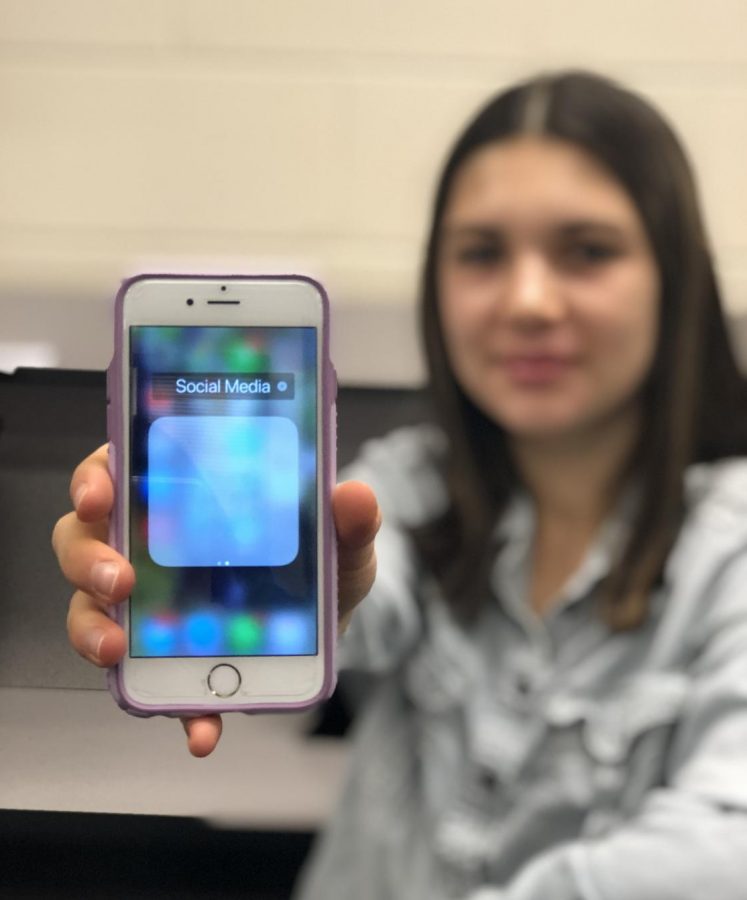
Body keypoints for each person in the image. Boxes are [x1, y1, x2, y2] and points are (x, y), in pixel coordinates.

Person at [53, 70, 747, 899]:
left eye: (587, 251)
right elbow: (363, 595)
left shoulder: (728, 546)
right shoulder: (410, 486)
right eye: (482, 253)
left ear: (675, 278)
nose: (526, 300)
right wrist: (298, 592)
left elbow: (723, 842)